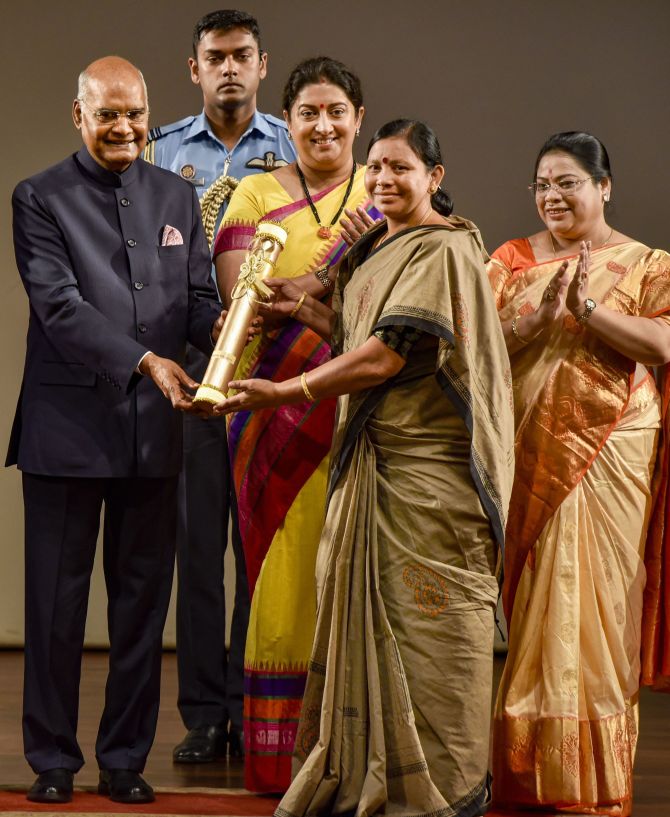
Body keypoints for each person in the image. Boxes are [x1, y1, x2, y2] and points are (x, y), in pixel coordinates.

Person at [214, 119, 515, 816]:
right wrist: (308, 309)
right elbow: (365, 338)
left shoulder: (441, 250)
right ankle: (366, 774)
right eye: (375, 168)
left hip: (428, 483)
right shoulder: (383, 248)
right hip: (379, 468)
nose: (382, 181)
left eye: (399, 168)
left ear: (434, 177)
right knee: (373, 631)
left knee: (433, 635)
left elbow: (384, 358)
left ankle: (444, 786)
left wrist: (285, 390)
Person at [8, 57, 222, 805]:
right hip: (66, 433)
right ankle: (52, 758)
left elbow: (196, 295)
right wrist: (146, 360)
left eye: (134, 112)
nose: (124, 127)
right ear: (79, 117)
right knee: (56, 609)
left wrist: (225, 328)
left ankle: (125, 757)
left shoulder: (177, 196)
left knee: (141, 607)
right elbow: (59, 308)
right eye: (107, 115)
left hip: (154, 434)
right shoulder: (38, 197)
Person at [487, 131, 670, 816]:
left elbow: (662, 340)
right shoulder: (509, 259)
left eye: (568, 182)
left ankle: (591, 784)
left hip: (613, 444)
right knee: (538, 603)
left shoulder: (648, 262)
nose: (552, 196)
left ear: (604, 186)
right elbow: (477, 341)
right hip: (531, 448)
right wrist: (538, 318)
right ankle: (530, 779)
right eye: (542, 184)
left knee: (602, 603)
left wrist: (589, 310)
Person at [213, 56, 379, 792]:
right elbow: (242, 291)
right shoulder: (253, 190)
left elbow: (388, 310)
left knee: (349, 571)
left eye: (336, 111)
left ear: (359, 117)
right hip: (266, 405)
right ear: (288, 120)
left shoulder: (381, 191)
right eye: (307, 112)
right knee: (281, 575)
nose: (323, 124)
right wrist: (313, 303)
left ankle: (347, 754)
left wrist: (308, 300)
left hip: (357, 412)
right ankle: (282, 759)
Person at [143, 9, 295, 765]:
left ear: (263, 64)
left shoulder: (295, 145)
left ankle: (258, 700)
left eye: (241, 56)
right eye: (215, 57)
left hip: (276, 379)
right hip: (196, 378)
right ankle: (205, 713)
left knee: (262, 549)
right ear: (194, 68)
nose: (229, 68)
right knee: (200, 550)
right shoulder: (160, 150)